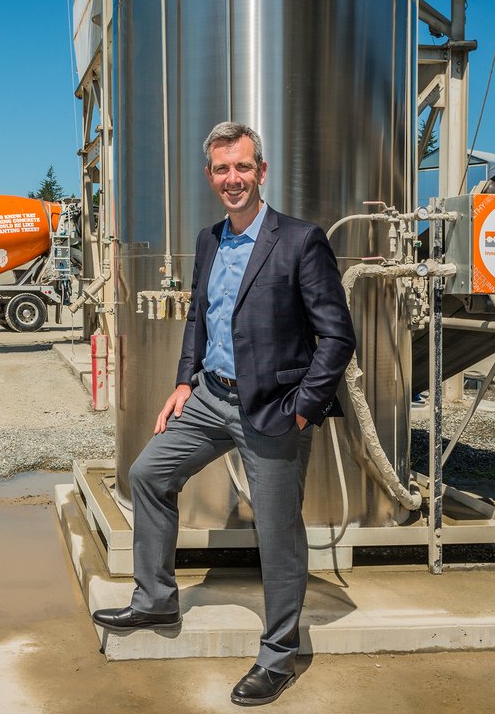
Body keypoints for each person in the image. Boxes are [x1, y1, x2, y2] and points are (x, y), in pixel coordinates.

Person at [92, 121, 355, 706]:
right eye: (221, 170)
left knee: (277, 533)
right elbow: (198, 318)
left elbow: (337, 338)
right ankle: (155, 600)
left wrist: (303, 412)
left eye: (242, 167)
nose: (232, 179)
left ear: (262, 171)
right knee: (148, 474)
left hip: (274, 408)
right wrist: (184, 381)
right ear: (209, 176)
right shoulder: (210, 239)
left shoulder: (300, 240)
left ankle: (279, 655)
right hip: (211, 396)